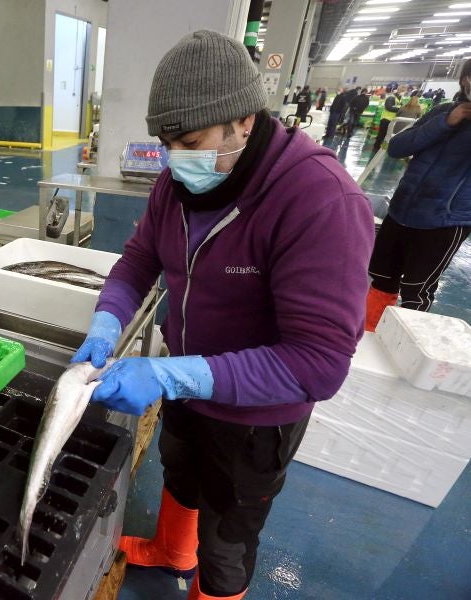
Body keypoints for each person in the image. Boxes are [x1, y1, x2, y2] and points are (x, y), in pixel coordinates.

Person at [72, 30, 373, 600]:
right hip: (189, 390)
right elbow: (139, 260)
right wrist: (108, 319)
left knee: (228, 535)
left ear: (246, 121)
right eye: (166, 142)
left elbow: (319, 365)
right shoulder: (177, 182)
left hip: (258, 416)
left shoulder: (320, 201)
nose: (176, 158)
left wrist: (167, 374)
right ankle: (170, 551)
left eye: (189, 140)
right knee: (180, 475)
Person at [365, 60, 471, 331]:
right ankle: (368, 335)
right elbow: (397, 147)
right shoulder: (440, 113)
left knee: (416, 292)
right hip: (401, 212)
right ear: (464, 81)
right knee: (381, 279)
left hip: (443, 223)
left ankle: (403, 351)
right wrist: (447, 122)